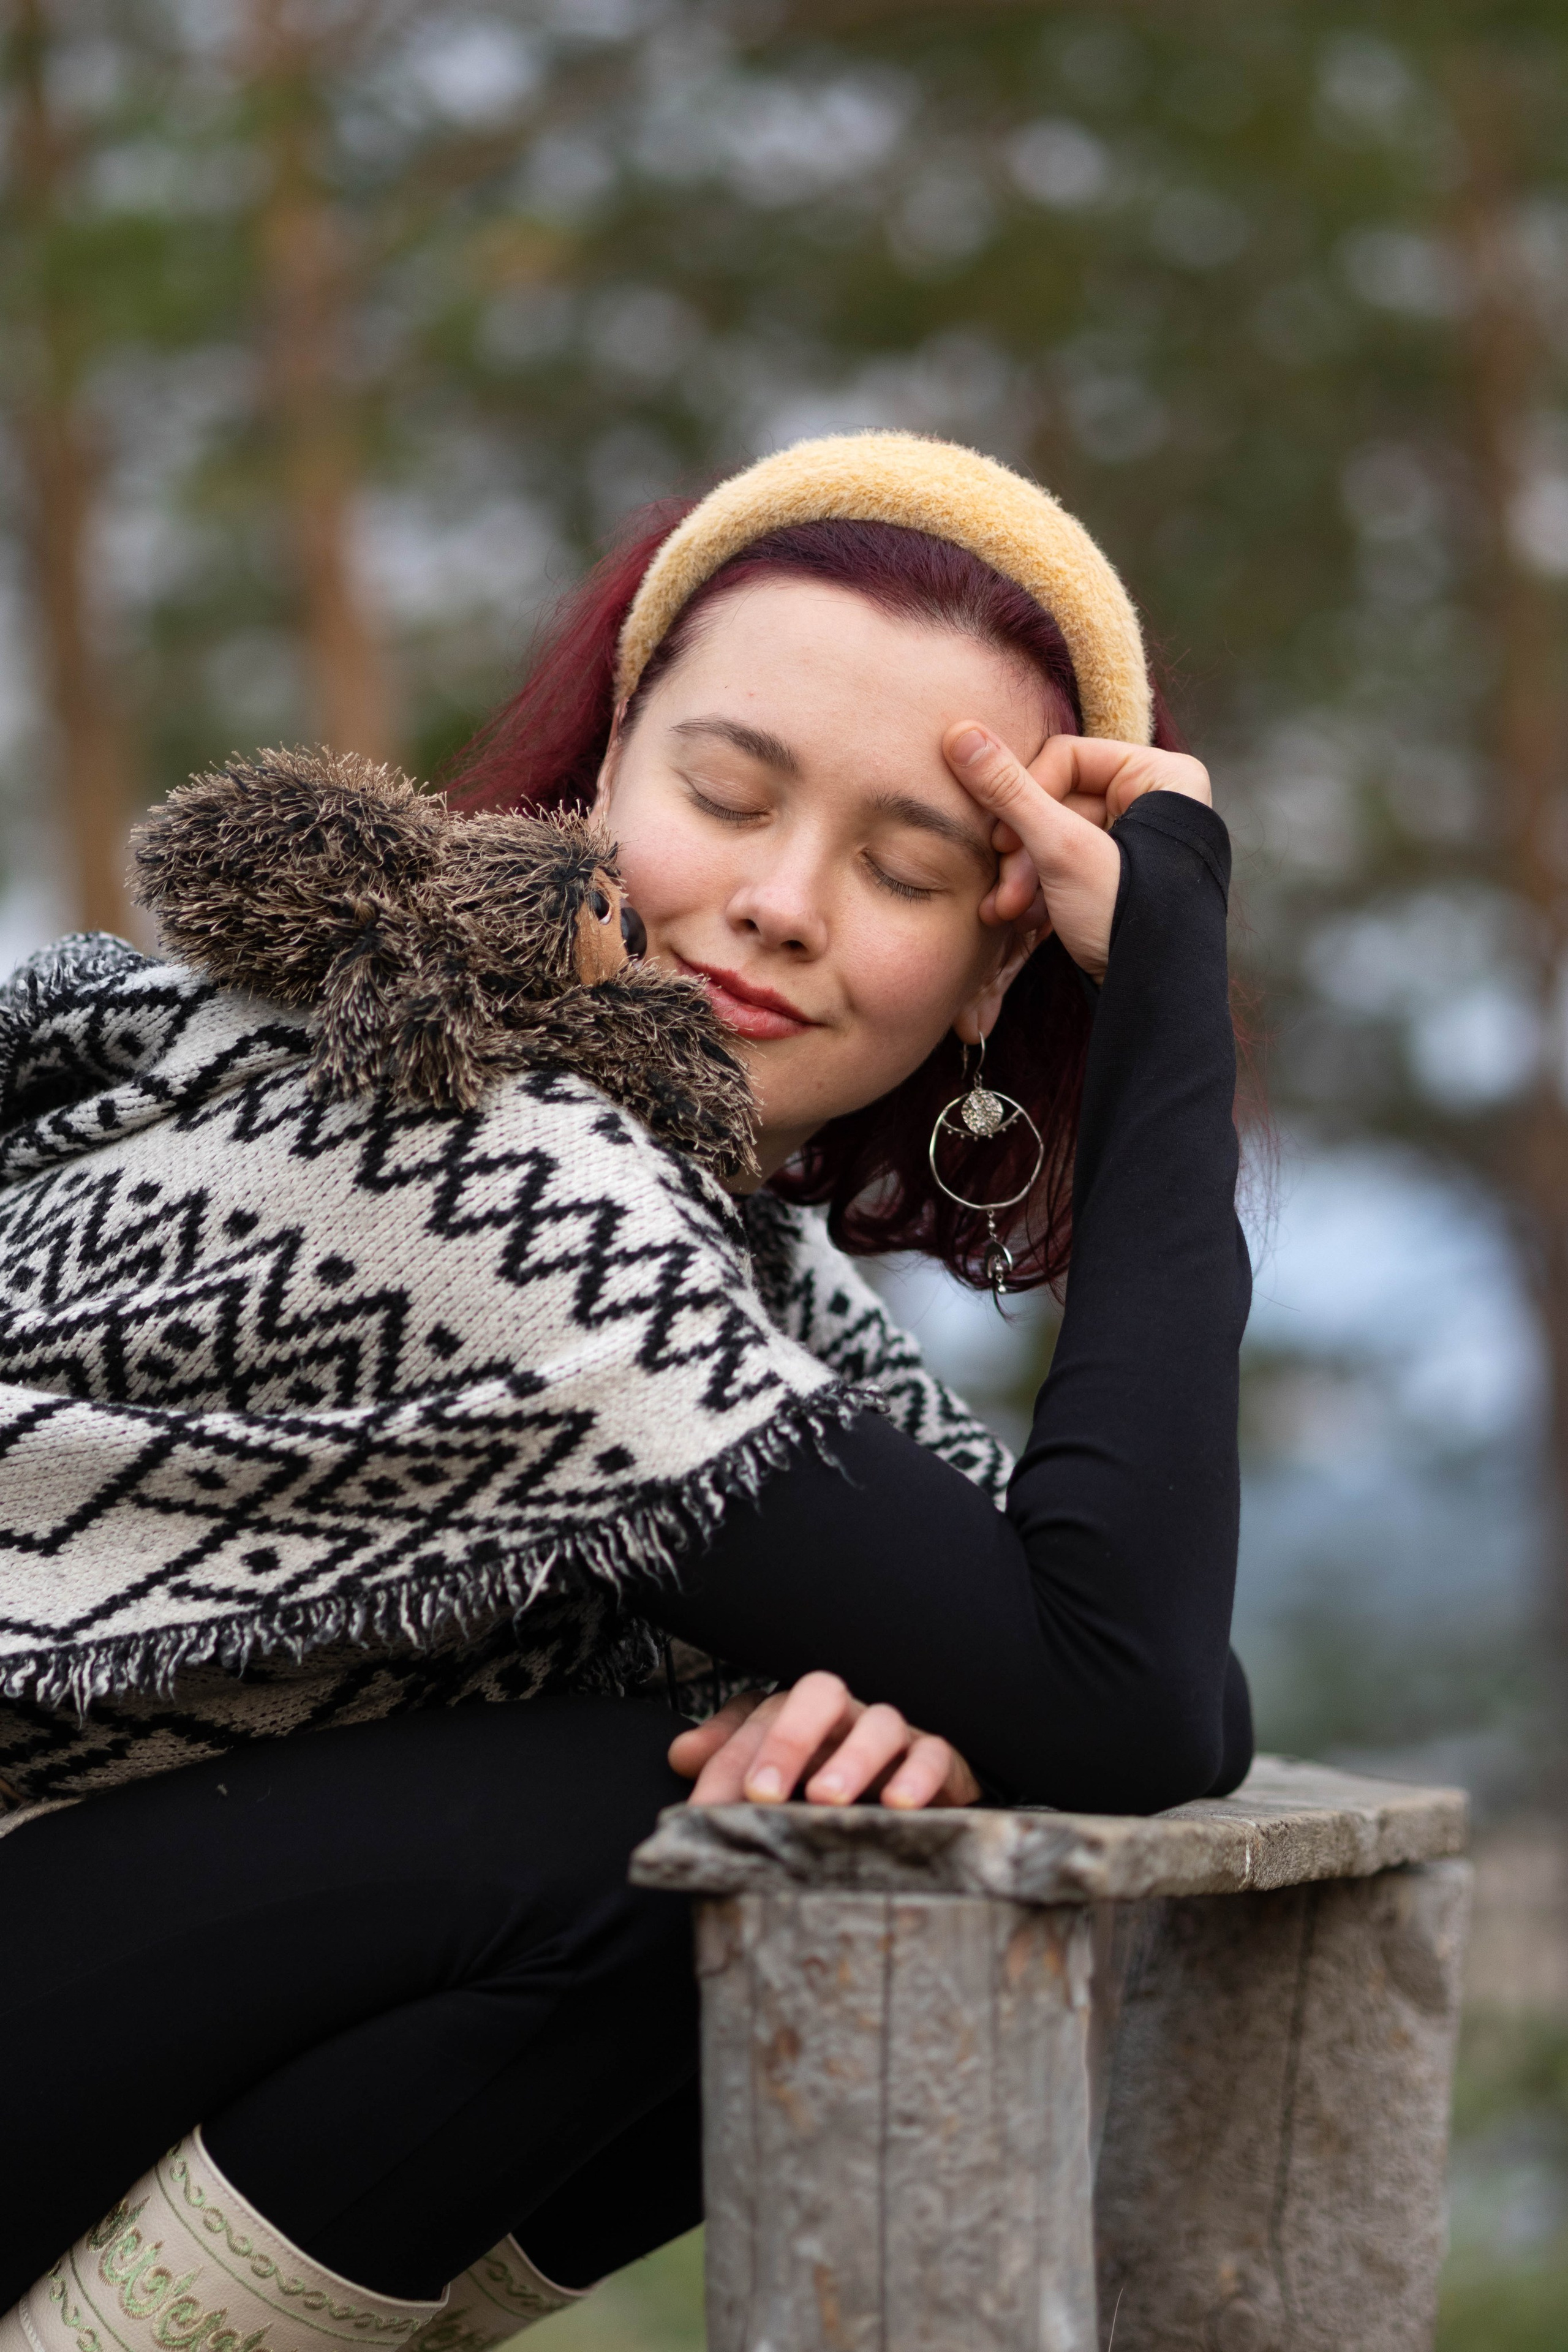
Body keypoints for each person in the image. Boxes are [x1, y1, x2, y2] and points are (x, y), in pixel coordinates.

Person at [0, 432, 1251, 2348]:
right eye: (723, 794)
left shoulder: (736, 1258)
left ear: (992, 972)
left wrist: (945, 1707)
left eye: (906, 865)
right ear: (595, 785)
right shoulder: (482, 1160)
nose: (776, 902)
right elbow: (1123, 1690)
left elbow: (1147, 1668)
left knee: (825, 1837)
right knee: (689, 1844)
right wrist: (1176, 1009)